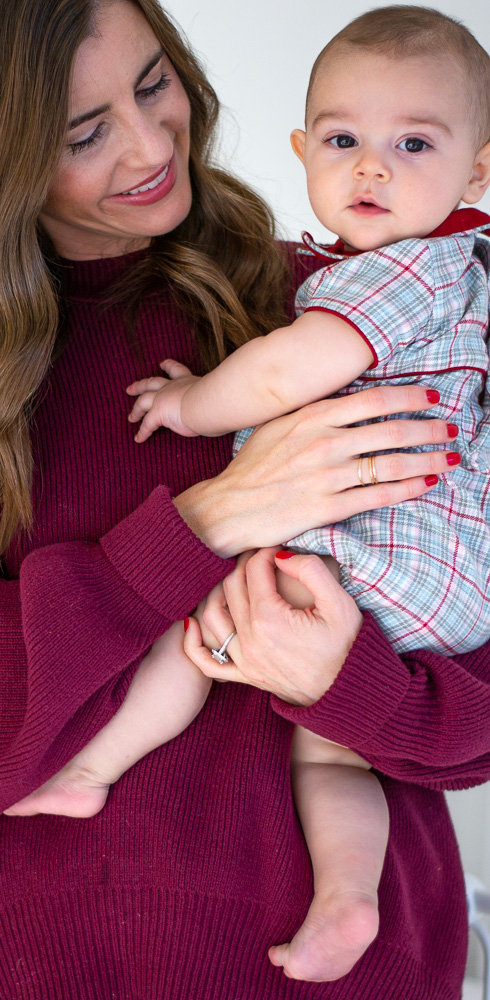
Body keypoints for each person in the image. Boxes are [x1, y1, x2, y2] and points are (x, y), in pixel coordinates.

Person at [0, 1, 488, 998]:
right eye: (84, 132)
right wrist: (210, 520)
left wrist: (360, 687)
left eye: (153, 83)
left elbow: (472, 647)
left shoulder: (343, 304)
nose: (149, 144)